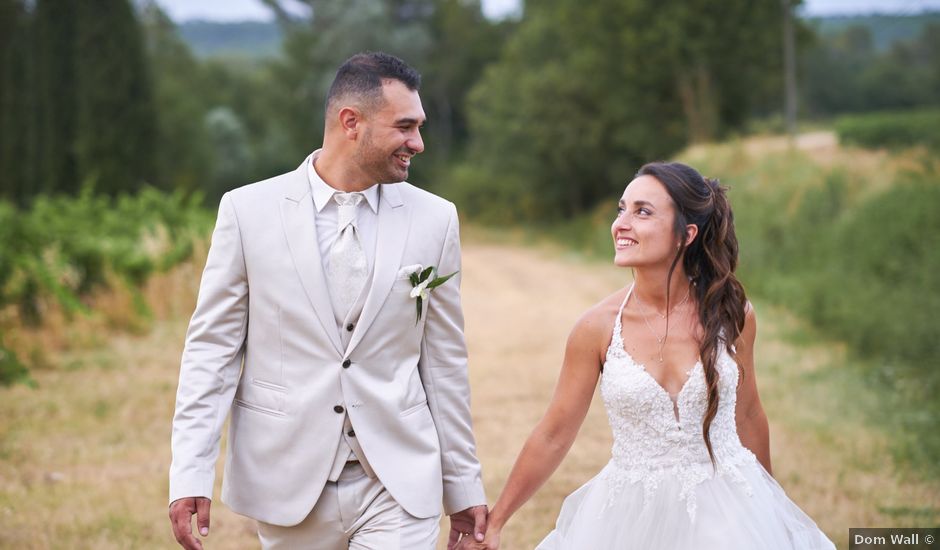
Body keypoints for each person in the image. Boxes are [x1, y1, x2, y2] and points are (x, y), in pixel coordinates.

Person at [168, 52, 487, 550]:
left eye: (419, 127)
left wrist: (463, 485)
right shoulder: (248, 211)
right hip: (288, 481)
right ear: (350, 122)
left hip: (399, 485)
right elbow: (213, 352)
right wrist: (190, 472)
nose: (417, 143)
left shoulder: (436, 219)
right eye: (405, 127)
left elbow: (444, 363)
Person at [461, 162, 834, 549]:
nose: (621, 223)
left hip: (727, 508)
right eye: (622, 209)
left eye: (642, 211)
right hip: (629, 515)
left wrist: (771, 507)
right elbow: (554, 434)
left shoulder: (732, 314)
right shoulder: (596, 328)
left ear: (686, 234)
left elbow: (749, 413)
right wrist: (497, 520)